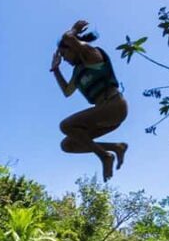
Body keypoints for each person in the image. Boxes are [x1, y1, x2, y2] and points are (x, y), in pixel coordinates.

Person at [51, 20, 128, 182]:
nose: (64, 60)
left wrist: (72, 31)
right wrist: (56, 70)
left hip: (115, 105)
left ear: (72, 47)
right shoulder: (78, 71)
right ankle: (116, 147)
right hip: (106, 117)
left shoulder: (92, 54)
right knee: (68, 145)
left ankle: (104, 156)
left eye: (64, 55)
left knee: (66, 126)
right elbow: (67, 91)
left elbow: (69, 38)